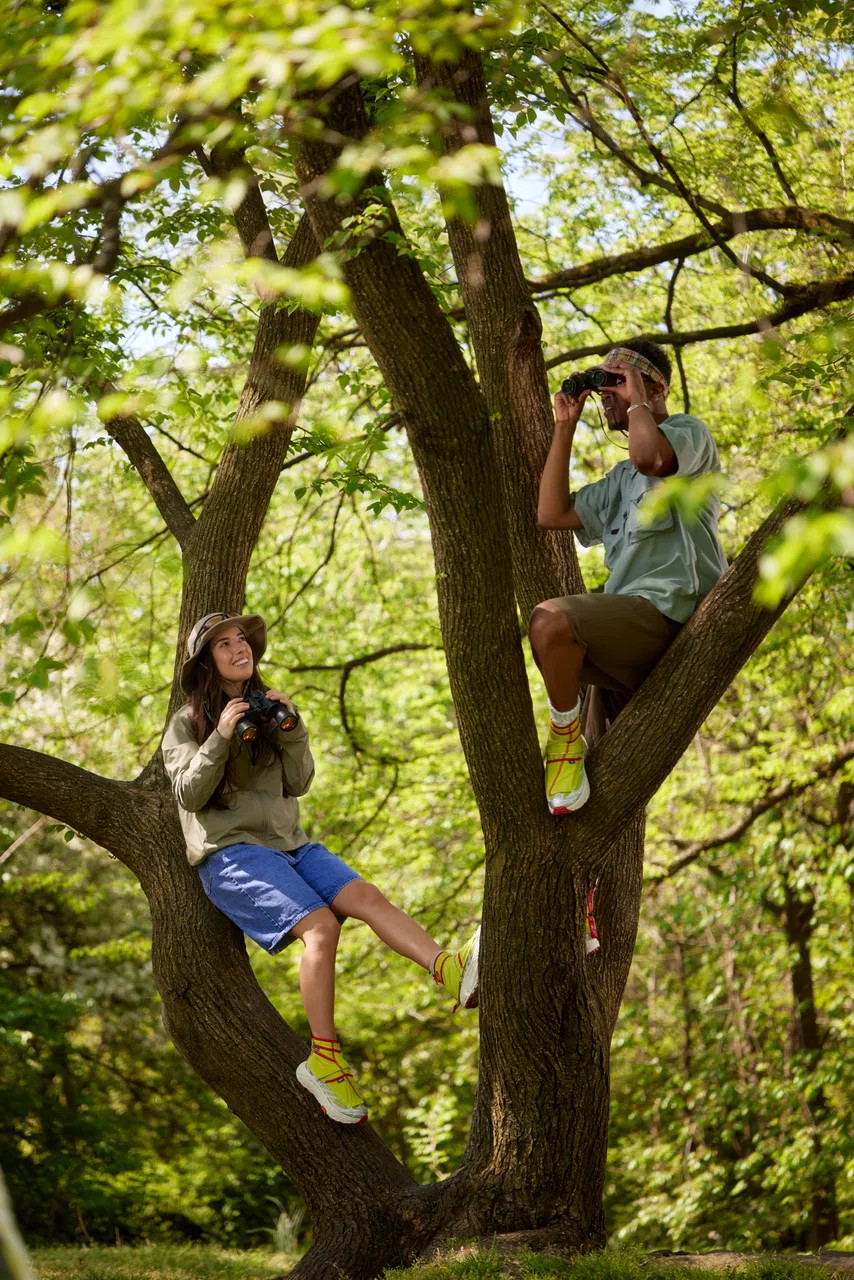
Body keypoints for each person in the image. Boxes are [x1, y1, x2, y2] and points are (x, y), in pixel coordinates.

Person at [162, 611, 480, 1126]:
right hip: (232, 852)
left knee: (368, 897)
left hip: (291, 843)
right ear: (206, 663)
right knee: (321, 927)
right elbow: (189, 794)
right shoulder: (184, 723)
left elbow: (300, 781)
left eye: (242, 639)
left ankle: (452, 972)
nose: (239, 647)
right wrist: (220, 735)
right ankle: (324, 1061)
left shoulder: (268, 708)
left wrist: (292, 729)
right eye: (223, 644)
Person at [531, 338, 728, 816]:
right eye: (604, 385)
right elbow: (551, 513)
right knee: (596, 788)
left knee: (551, 621)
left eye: (615, 382)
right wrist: (564, 427)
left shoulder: (689, 433)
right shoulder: (620, 480)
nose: (606, 394)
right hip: (625, 636)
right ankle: (574, 765)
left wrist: (636, 397)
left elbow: (651, 459)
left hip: (667, 618)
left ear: (654, 389)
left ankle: (564, 739)